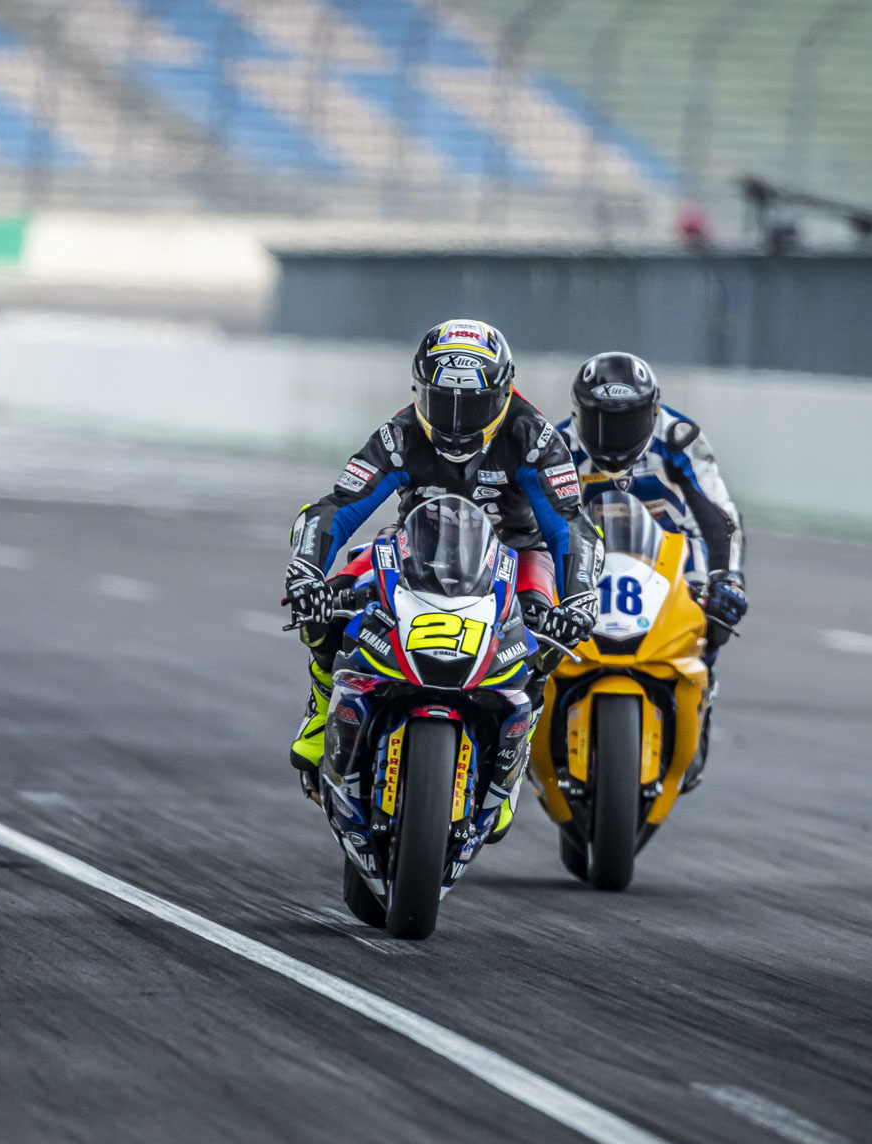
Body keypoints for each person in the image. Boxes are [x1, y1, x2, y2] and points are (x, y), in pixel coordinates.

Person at [284, 318, 601, 837]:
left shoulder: (533, 437)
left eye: (472, 406)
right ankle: (323, 710)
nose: (455, 421)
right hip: (413, 547)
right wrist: (306, 571)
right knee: (333, 600)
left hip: (516, 554)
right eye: (441, 402)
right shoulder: (399, 433)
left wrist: (579, 598)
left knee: (545, 634)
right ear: (419, 391)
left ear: (504, 393)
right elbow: (337, 505)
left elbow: (569, 524)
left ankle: (510, 758)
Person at [556, 352, 746, 788]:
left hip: (672, 553)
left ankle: (700, 695)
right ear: (578, 413)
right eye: (601, 422)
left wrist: (728, 577)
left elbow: (719, 513)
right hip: (588, 558)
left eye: (626, 422)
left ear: (653, 412)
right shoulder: (556, 447)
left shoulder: (679, 439)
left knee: (714, 614)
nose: (613, 437)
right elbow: (528, 519)